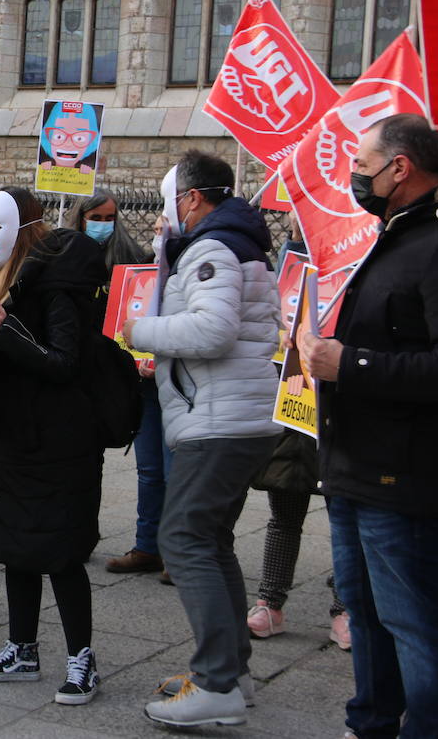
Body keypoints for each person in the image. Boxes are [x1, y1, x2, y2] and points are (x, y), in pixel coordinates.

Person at [299, 114, 438, 739]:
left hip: (405, 470)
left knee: (410, 619)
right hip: (352, 463)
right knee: (361, 609)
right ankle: (372, 721)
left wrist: (350, 363)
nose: (353, 176)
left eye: (362, 166)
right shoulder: (386, 237)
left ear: (401, 168)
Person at [124, 151, 281, 728]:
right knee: (209, 541)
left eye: (170, 205)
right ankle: (230, 672)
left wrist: (138, 329)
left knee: (185, 537)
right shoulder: (237, 242)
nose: (167, 219)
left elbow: (212, 330)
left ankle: (217, 683)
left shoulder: (213, 247)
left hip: (220, 419)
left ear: (191, 199)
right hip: (231, 414)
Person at [0, 188, 106, 705]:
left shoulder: (56, 288)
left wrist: (9, 331)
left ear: (24, 231)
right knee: (15, 545)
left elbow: (63, 362)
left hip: (59, 443)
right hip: (11, 438)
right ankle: (21, 648)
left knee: (60, 552)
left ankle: (81, 658)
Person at [245, 217, 348, 648]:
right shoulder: (290, 263)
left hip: (344, 402)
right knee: (285, 506)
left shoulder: (360, 265)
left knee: (345, 517)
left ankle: (346, 607)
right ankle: (270, 600)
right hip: (296, 394)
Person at [64, 191, 167, 578]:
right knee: (86, 458)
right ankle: (124, 540)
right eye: (96, 216)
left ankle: (155, 544)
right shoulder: (65, 255)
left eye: (110, 217)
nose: (104, 223)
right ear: (81, 216)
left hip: (127, 369)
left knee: (154, 467)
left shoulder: (133, 258)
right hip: (83, 369)